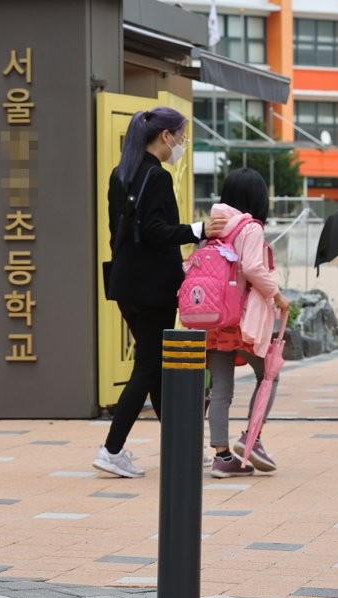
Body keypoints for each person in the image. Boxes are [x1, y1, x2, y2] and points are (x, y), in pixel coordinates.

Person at [95, 106, 223, 479]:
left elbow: (115, 232)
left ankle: (183, 446)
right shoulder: (157, 176)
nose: (180, 144)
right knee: (149, 367)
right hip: (153, 288)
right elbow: (154, 230)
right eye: (180, 137)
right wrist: (199, 230)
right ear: (165, 136)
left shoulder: (120, 175)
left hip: (125, 285)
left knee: (155, 370)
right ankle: (111, 449)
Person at [204, 168, 290, 479]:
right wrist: (277, 295)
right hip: (242, 319)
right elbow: (253, 267)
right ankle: (251, 439)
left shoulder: (214, 226)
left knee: (221, 390)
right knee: (269, 374)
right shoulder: (250, 228)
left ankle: (222, 457)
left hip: (215, 318)